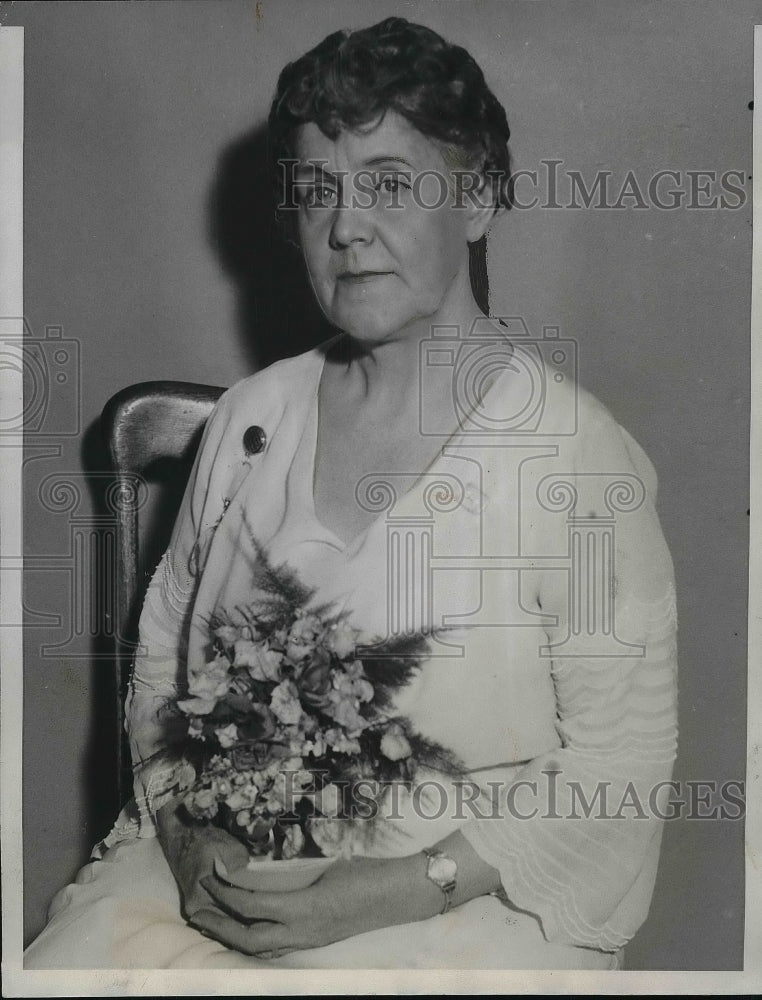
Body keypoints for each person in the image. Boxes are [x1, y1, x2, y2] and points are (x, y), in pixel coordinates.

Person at [25, 17, 678, 970]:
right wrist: (184, 832)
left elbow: (620, 767)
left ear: (482, 197)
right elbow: (166, 656)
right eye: (319, 191)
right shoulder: (256, 419)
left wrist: (401, 888)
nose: (347, 226)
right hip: (226, 879)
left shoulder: (575, 459)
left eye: (388, 183)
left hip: (461, 905)